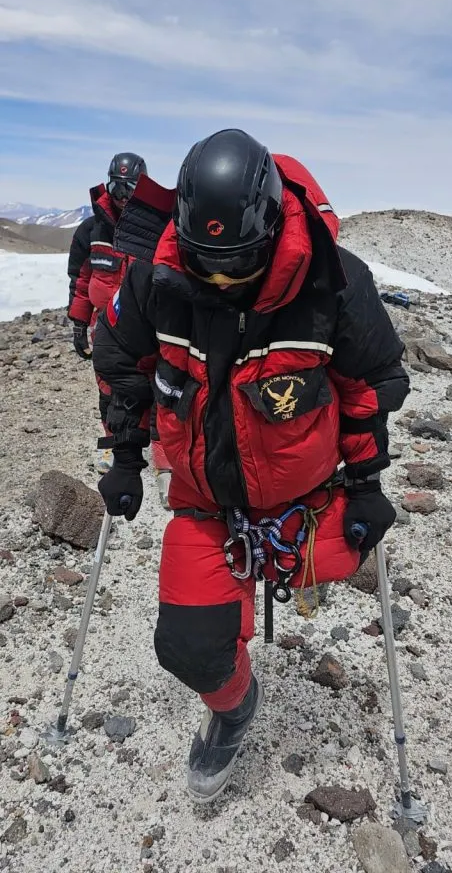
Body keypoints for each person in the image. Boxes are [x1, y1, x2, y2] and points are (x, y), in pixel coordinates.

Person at [92, 129, 410, 803]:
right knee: (188, 647)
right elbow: (122, 368)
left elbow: (369, 387)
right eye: (206, 264)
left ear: (268, 229)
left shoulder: (334, 281)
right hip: (206, 503)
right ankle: (235, 708)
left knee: (349, 557)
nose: (220, 281)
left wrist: (369, 484)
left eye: (236, 263)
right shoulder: (155, 277)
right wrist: (124, 456)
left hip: (310, 499)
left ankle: (299, 576)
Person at [67, 152, 172, 483]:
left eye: (131, 189)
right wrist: (79, 324)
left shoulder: (158, 229)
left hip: (149, 328)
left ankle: (165, 457)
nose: (123, 198)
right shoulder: (92, 230)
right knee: (109, 390)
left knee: (159, 389)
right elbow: (82, 283)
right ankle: (115, 448)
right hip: (106, 328)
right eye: (116, 188)